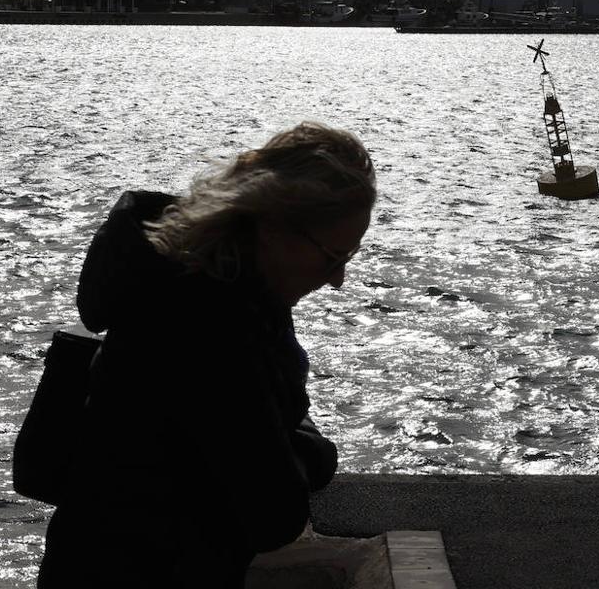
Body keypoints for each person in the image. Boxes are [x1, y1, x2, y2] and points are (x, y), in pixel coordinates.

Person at [36, 121, 376, 588]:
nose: (337, 278)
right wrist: (313, 453)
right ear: (276, 228)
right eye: (333, 256)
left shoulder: (189, 279)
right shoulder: (215, 322)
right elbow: (273, 511)